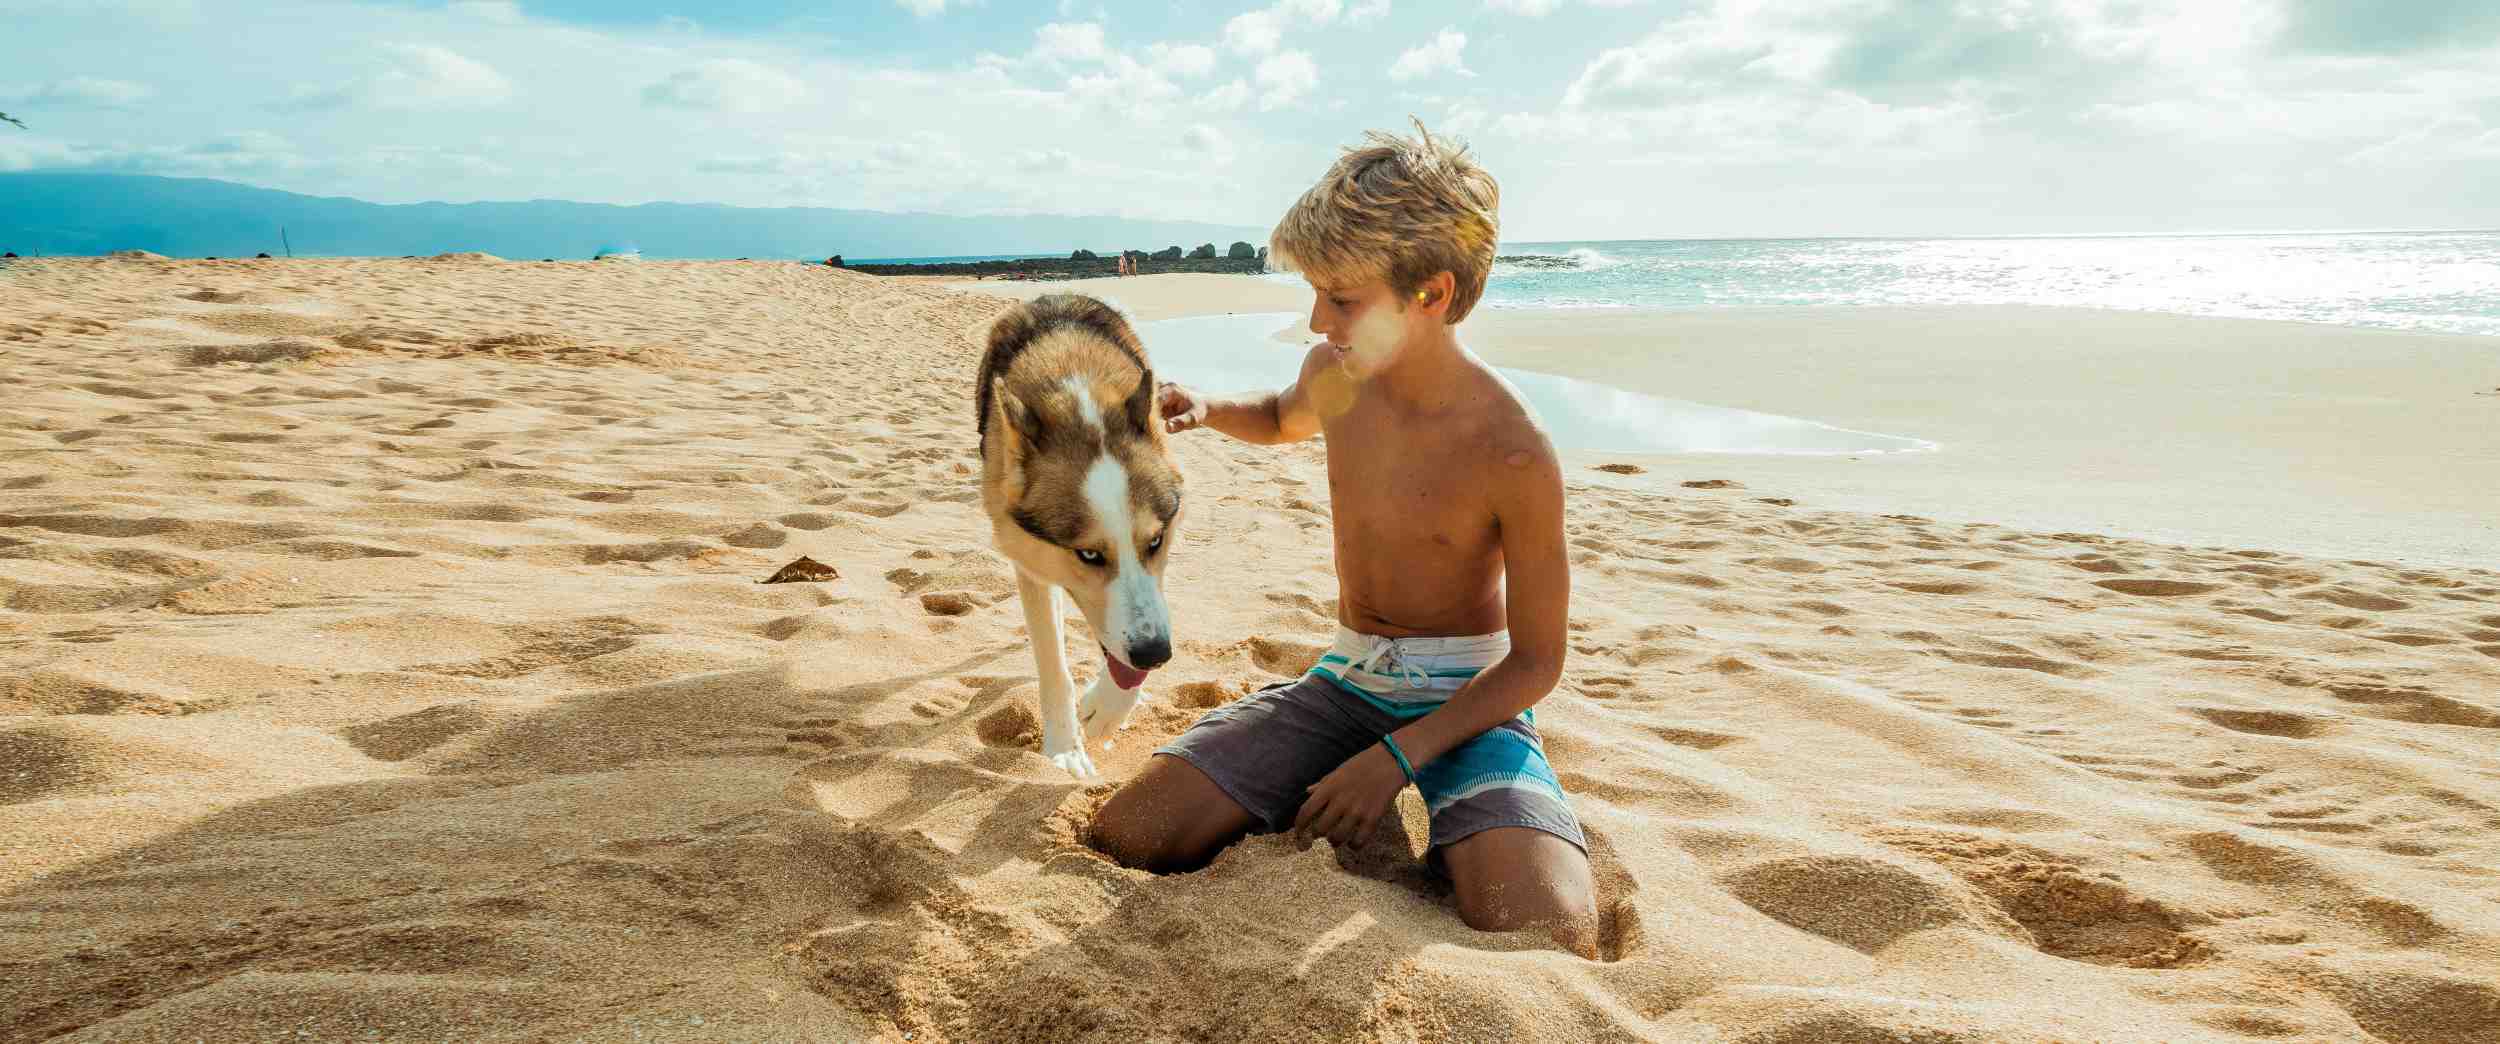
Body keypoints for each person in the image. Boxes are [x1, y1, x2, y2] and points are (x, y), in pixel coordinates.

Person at [1087, 121, 1596, 955]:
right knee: (1131, 834)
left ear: (1429, 294)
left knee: (1546, 926)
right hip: (1347, 679)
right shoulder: (1335, 374)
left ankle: (1461, 806)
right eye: (1315, 293)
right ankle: (1298, 773)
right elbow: (1284, 419)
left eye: (1342, 298)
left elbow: (1537, 662)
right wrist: (1211, 407)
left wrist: (1398, 757)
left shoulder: (1513, 448)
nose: (1318, 318)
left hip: (1465, 704)